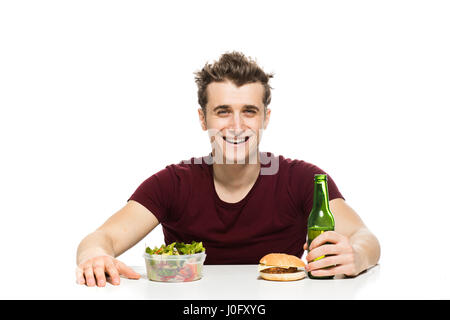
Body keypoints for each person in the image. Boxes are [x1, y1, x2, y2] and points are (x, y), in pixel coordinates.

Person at [76, 51, 380, 287]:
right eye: (223, 112)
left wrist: (358, 254)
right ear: (203, 119)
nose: (236, 126)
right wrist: (95, 257)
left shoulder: (302, 180)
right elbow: (102, 239)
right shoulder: (172, 184)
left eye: (249, 111)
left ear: (265, 118)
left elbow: (363, 236)